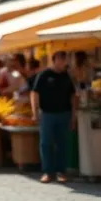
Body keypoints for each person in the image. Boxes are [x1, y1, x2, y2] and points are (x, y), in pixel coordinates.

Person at [31, 51, 77, 184]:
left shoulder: (67, 76)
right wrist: (35, 112)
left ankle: (61, 171)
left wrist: (73, 115)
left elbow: (73, 96)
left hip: (64, 113)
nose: (63, 61)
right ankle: (47, 172)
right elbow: (35, 93)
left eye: (64, 59)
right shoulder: (44, 75)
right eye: (60, 59)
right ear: (54, 60)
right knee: (46, 143)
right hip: (47, 114)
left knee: (62, 143)